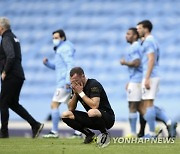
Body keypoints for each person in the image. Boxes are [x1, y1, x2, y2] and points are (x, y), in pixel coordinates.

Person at [0, 17, 44, 138]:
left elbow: (11, 56)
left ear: (2, 27)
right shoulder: (14, 37)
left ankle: (3, 133)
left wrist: (4, 71)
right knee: (13, 103)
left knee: (3, 102)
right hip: (18, 74)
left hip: (11, 75)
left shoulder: (6, 38)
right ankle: (35, 124)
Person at [62, 67, 115, 147]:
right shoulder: (76, 87)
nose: (75, 84)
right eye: (73, 82)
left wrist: (81, 92)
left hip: (107, 118)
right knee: (65, 115)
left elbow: (94, 105)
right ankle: (89, 134)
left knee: (92, 111)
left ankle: (105, 134)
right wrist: (76, 94)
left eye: (76, 81)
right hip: (92, 118)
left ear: (83, 76)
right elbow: (71, 108)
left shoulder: (93, 84)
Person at [42, 29, 80, 138]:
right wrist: (48, 63)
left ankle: (54, 131)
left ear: (63, 38)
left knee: (54, 105)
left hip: (64, 83)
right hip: (65, 82)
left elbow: (70, 64)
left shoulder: (64, 49)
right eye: (53, 38)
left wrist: (68, 81)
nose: (54, 40)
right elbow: (58, 66)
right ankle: (79, 132)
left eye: (56, 38)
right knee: (71, 108)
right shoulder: (62, 48)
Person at [120, 27, 142, 137]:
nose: (126, 36)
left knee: (133, 105)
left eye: (128, 34)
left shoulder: (135, 47)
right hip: (135, 79)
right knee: (141, 106)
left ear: (135, 35)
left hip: (137, 80)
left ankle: (133, 133)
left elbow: (137, 63)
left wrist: (125, 63)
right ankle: (166, 122)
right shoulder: (136, 46)